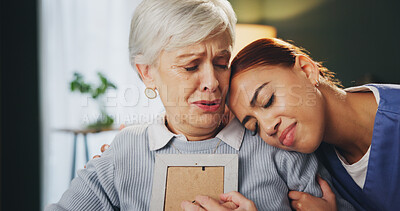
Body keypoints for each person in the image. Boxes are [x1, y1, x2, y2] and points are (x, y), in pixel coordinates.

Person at [46, 1, 354, 210]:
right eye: (191, 66)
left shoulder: (277, 142)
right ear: (147, 73)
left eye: (222, 62)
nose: (213, 81)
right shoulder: (124, 151)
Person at [190, 38, 398, 210]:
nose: (268, 128)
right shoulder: (310, 164)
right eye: (255, 127)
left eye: (267, 100)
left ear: (307, 70)